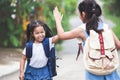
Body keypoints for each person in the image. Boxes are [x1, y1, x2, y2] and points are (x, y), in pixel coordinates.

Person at [53, 0, 120, 80]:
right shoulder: (106, 27)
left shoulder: (82, 30)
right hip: (110, 72)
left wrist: (57, 20)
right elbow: (118, 45)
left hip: (94, 73)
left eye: (79, 13)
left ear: (83, 14)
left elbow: (61, 35)